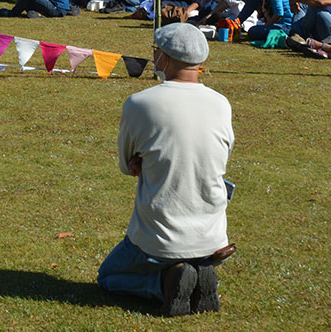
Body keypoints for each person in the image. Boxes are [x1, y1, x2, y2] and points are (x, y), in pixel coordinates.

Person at [97, 23, 234, 316]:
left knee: (108, 277)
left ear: (166, 59)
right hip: (212, 236)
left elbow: (126, 164)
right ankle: (198, 273)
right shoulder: (221, 104)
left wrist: (141, 160)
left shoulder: (140, 103)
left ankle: (163, 284)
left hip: (158, 240)